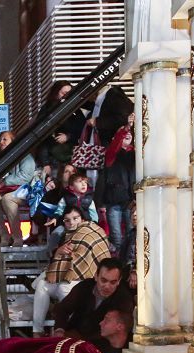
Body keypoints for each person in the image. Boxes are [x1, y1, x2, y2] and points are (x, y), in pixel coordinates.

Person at [32, 206, 112, 336]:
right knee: (42, 285)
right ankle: (37, 331)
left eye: (75, 218)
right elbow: (59, 263)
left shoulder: (91, 230)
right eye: (67, 220)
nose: (71, 223)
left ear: (82, 218)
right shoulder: (66, 235)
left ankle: (72, 329)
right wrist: (58, 252)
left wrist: (68, 259)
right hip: (69, 276)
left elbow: (89, 258)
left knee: (63, 287)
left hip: (89, 279)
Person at [0, 130, 39, 247]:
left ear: (13, 141)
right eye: (0, 140)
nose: (1, 142)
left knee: (7, 199)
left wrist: (5, 181)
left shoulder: (24, 155)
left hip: (24, 192)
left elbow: (26, 176)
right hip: (6, 191)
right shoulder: (1, 158)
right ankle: (4, 235)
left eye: (5, 139)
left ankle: (17, 238)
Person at [49, 258, 132, 340]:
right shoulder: (85, 286)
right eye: (103, 280)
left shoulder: (124, 298)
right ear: (96, 276)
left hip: (103, 344)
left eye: (113, 282)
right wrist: (59, 329)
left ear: (119, 281)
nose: (107, 286)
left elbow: (118, 331)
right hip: (73, 335)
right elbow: (63, 309)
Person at [97, 116, 135, 254]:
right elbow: (117, 142)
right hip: (114, 200)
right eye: (124, 133)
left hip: (130, 200)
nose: (127, 134)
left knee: (132, 234)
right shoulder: (111, 153)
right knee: (117, 237)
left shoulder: (135, 153)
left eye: (130, 133)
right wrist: (126, 127)